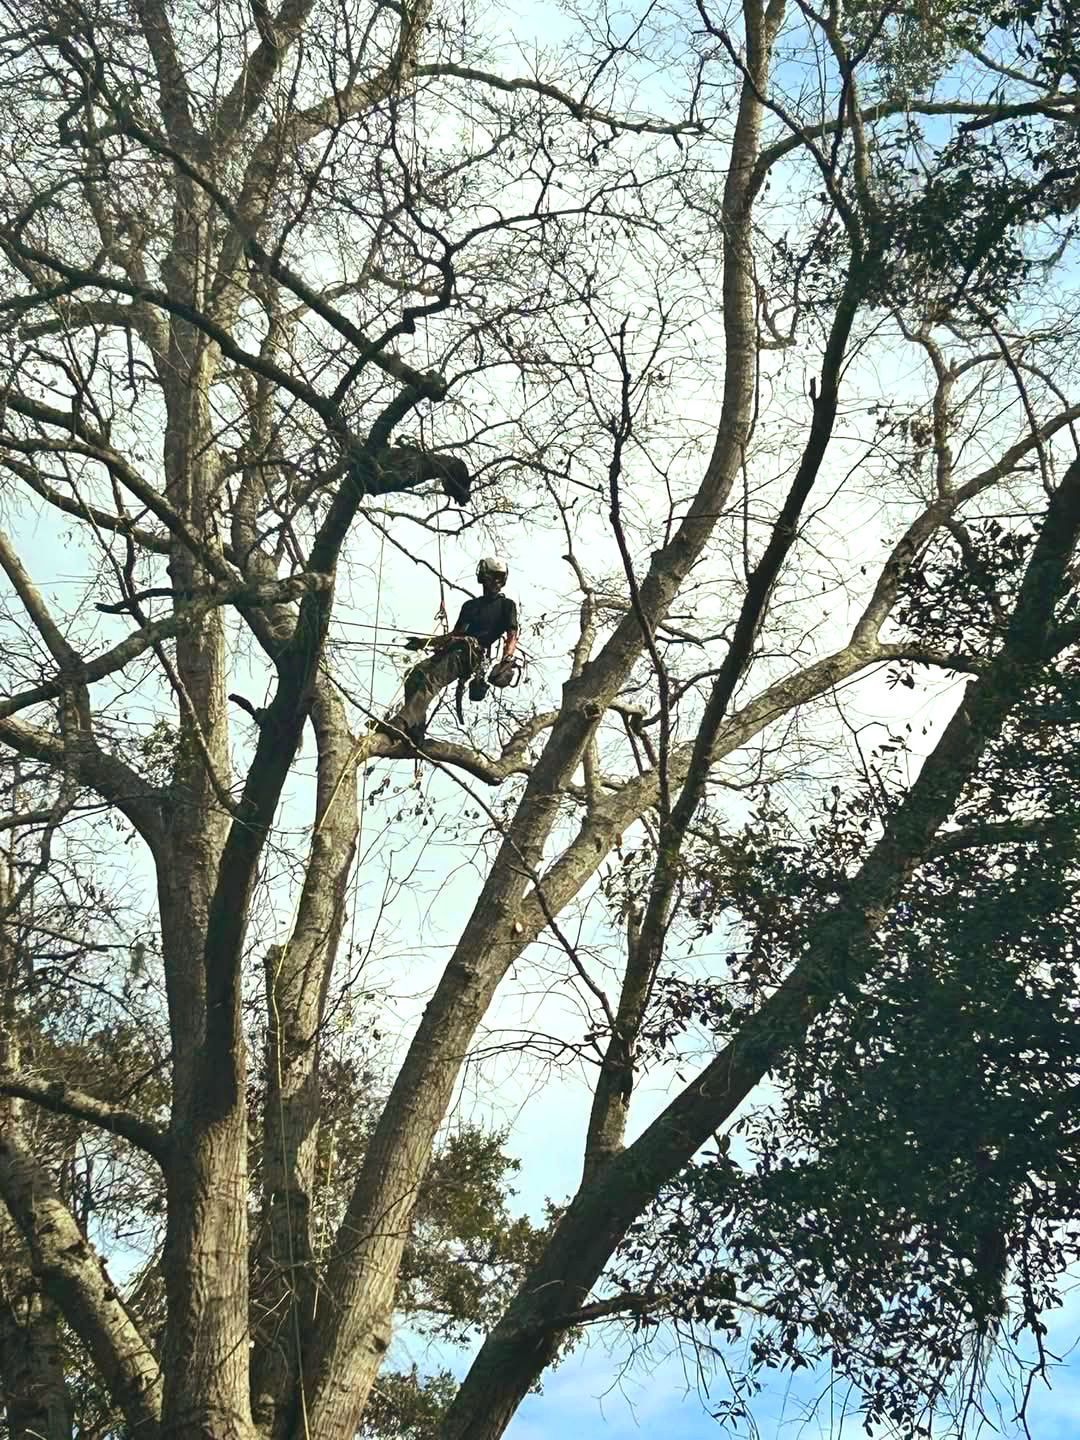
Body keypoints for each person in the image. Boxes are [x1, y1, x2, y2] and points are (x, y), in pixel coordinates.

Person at [389, 557, 518, 744]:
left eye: (500, 578)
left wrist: (507, 659)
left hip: (470, 653)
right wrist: (422, 642)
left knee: (431, 680)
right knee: (415, 675)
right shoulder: (470, 606)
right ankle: (416, 729)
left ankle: (401, 722)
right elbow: (453, 635)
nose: (496, 582)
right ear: (483, 577)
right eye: (492, 576)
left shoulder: (507, 606)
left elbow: (512, 635)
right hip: (453, 648)